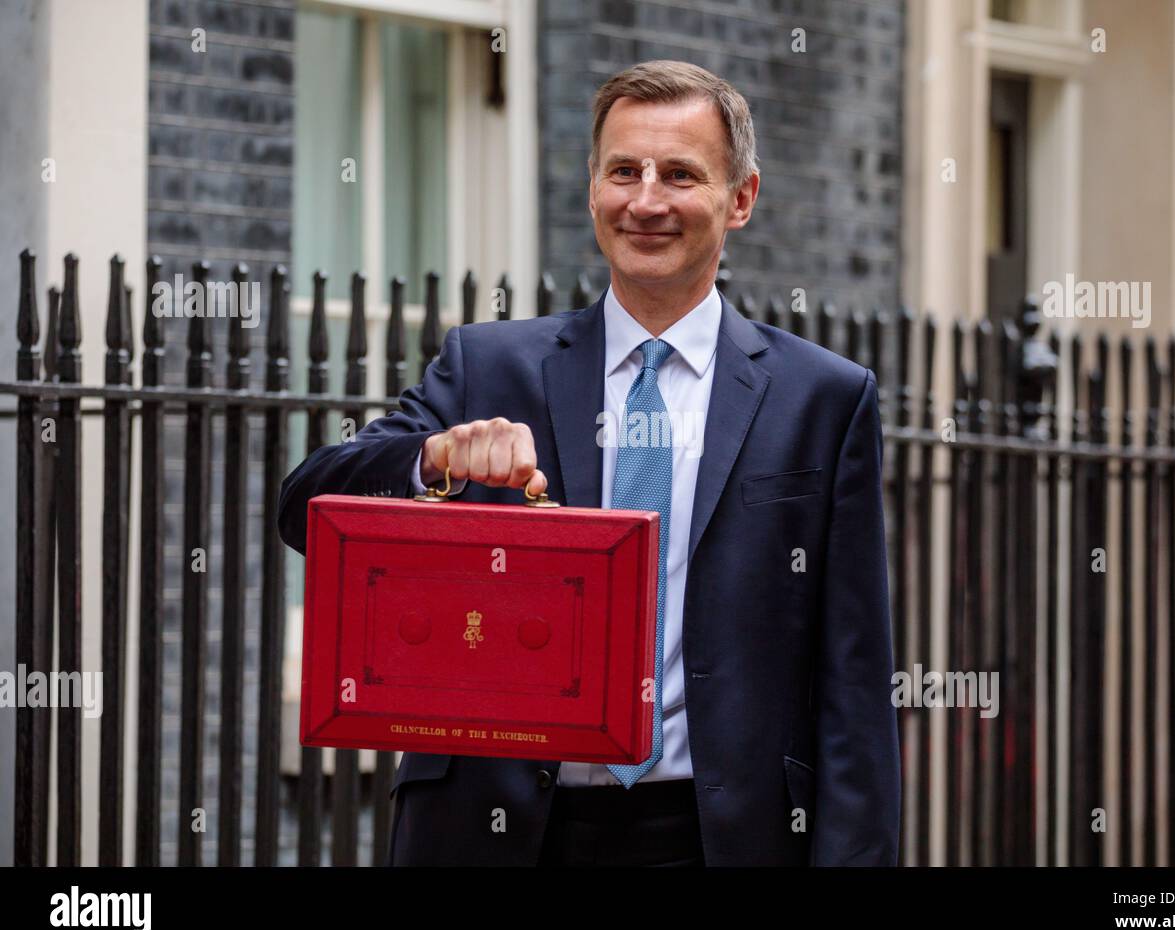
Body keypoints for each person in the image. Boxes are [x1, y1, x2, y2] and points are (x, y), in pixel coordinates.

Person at [278, 59, 899, 867]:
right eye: (623, 171)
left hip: (720, 838)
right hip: (500, 834)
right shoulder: (486, 366)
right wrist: (433, 459)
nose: (646, 201)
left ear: (740, 198)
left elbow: (853, 679)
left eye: (680, 174)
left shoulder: (823, 398)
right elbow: (305, 509)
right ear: (592, 190)